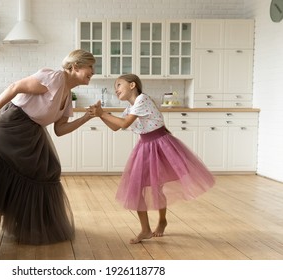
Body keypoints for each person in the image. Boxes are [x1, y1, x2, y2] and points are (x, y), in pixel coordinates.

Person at [0, 49, 96, 245]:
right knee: (26, 171)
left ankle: (34, 223)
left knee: (50, 170)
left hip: (33, 131)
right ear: (75, 67)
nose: (93, 72)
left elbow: (60, 129)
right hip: (15, 124)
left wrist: (87, 117)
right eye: (90, 67)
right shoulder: (54, 78)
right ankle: (28, 222)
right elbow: (15, 87)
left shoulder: (68, 94)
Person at [88, 74, 215, 244]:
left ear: (132, 85)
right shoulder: (130, 107)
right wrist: (100, 116)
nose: (115, 89)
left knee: (157, 186)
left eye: (118, 85)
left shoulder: (142, 99)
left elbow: (125, 124)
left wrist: (102, 112)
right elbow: (115, 127)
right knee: (138, 187)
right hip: (145, 147)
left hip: (161, 145)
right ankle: (145, 229)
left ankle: (162, 220)